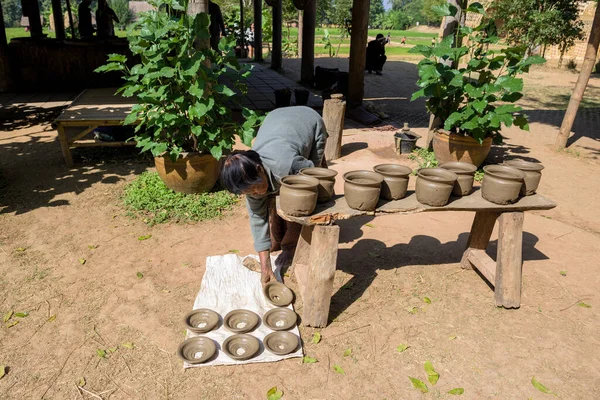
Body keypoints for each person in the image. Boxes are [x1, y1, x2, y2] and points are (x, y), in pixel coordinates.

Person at [220, 107, 328, 286]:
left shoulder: (286, 166)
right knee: (269, 198)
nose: (256, 193)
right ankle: (277, 238)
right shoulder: (249, 179)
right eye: (249, 193)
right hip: (275, 119)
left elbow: (310, 171)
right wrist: (266, 267)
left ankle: (291, 244)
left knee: (302, 195)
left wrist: (308, 184)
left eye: (255, 188)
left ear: (259, 168)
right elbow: (257, 219)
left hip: (310, 121)